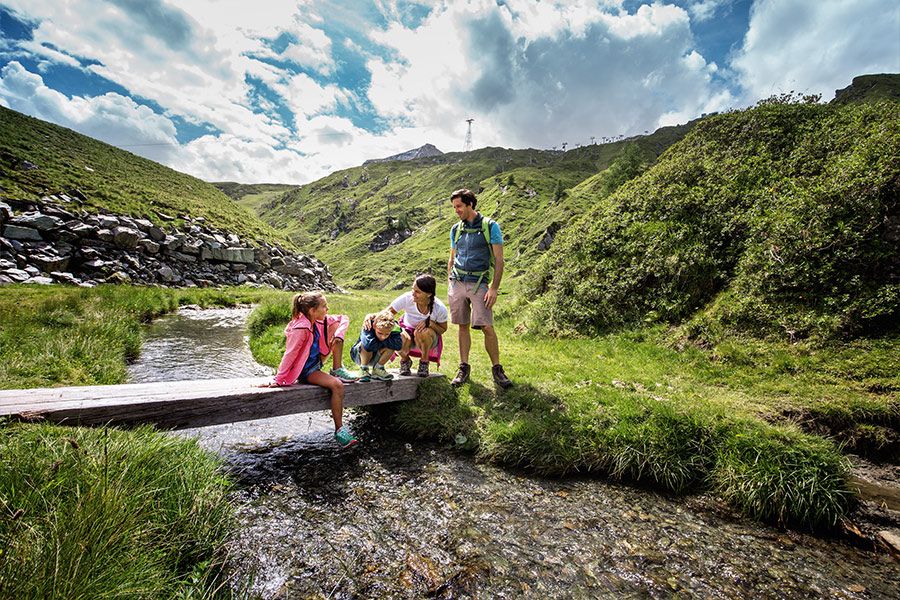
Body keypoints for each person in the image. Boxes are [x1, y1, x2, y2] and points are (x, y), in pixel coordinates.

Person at [263, 292, 359, 448]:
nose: (327, 309)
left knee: (336, 332)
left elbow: (343, 318)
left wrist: (339, 335)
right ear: (312, 310)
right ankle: (339, 430)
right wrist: (278, 379)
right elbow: (290, 353)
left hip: (316, 364)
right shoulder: (301, 328)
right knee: (337, 385)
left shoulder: (317, 321)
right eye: (323, 306)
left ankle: (337, 368)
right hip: (306, 371)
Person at [447, 188, 513, 388]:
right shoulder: (455, 229)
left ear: (470, 204)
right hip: (457, 282)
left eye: (459, 206)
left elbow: (499, 260)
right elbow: (451, 257)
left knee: (487, 326)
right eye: (454, 207)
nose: (456, 210)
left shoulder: (490, 226)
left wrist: (494, 288)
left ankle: (497, 369)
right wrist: (450, 280)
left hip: (480, 284)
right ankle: (464, 367)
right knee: (462, 325)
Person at [363, 274, 448, 377]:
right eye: (413, 289)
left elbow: (443, 329)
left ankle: (424, 362)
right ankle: (405, 360)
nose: (413, 294)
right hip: (407, 331)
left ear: (429, 294)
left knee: (422, 332)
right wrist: (370, 315)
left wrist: (431, 324)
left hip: (427, 338)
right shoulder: (407, 298)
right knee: (398, 336)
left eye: (418, 292)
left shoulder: (439, 308)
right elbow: (387, 312)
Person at [349, 308, 404, 381]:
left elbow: (398, 346)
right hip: (359, 356)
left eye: (387, 334)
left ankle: (378, 369)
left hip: (376, 355)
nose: (383, 337)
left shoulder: (394, 328)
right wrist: (387, 341)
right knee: (365, 345)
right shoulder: (368, 326)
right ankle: (363, 369)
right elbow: (369, 346)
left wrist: (382, 341)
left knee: (392, 347)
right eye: (380, 333)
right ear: (374, 326)